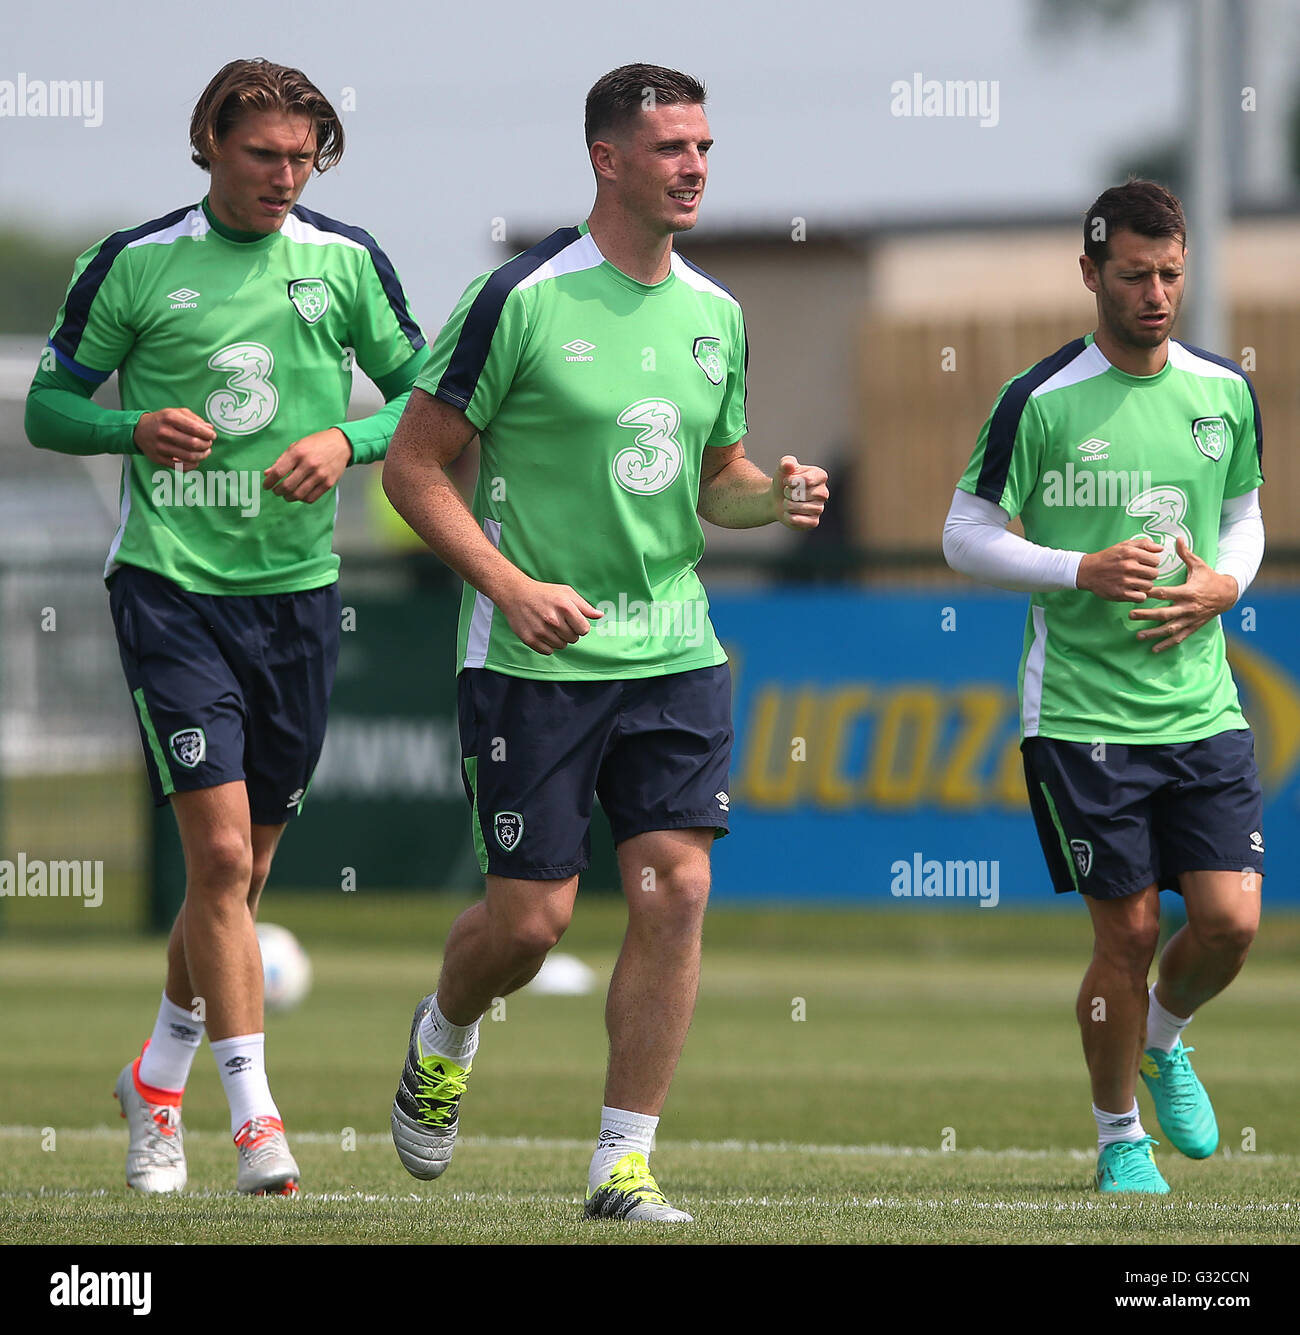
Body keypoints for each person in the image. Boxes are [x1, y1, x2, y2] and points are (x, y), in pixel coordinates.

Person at [382, 62, 828, 1222]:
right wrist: (510, 584)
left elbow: (713, 482)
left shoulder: (716, 313)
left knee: (675, 887)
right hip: (531, 660)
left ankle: (621, 1163)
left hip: (675, 647)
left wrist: (767, 498)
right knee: (529, 924)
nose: (695, 168)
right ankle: (445, 1031)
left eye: (705, 148)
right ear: (608, 160)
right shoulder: (519, 297)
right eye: (673, 148)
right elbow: (413, 467)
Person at [26, 58, 428, 1195]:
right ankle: (252, 1124)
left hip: (297, 599)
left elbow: (433, 400)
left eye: (304, 158)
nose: (285, 177)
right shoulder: (137, 261)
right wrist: (129, 431)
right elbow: (49, 406)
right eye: (264, 156)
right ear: (209, 142)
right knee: (212, 857)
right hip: (170, 588)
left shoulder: (346, 263)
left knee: (240, 883)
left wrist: (347, 441)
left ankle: (155, 1077)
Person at [943, 179, 1265, 1193]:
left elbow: (1246, 514)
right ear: (1090, 274)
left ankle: (1164, 1039)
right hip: (1081, 716)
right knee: (1124, 932)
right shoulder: (1036, 401)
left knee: (1230, 922)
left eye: (1171, 273)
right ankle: (1117, 1135)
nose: (1157, 293)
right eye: (1134, 275)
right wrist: (1074, 567)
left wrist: (1223, 583)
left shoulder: (1222, 392)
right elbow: (964, 535)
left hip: (1201, 707)